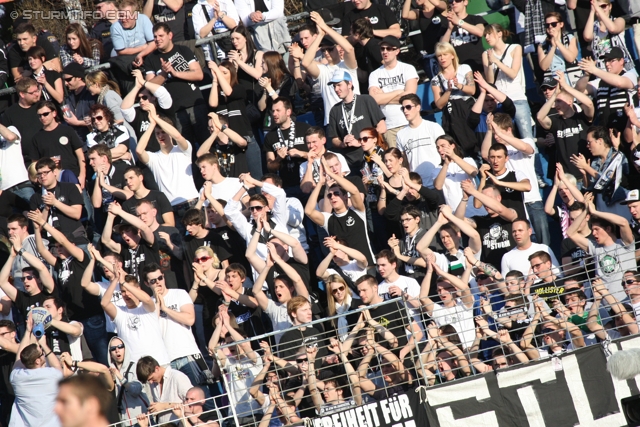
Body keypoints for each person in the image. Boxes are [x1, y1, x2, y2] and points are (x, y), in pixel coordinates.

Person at [28, 208, 110, 365]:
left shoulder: (80, 257)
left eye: (60, 246)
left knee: (102, 358)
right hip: (74, 318)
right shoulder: (59, 264)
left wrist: (44, 223)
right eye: (56, 246)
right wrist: (38, 229)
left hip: (91, 316)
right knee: (84, 359)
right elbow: (41, 250)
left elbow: (65, 241)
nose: (58, 248)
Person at [142, 264, 207, 387]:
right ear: (147, 284)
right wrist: (156, 302)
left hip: (187, 354)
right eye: (153, 281)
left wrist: (165, 309)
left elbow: (190, 319)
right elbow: (150, 330)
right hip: (165, 361)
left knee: (201, 395)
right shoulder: (147, 305)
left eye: (160, 278)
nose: (158, 283)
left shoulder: (179, 294)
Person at [144, 23, 208, 146]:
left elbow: (199, 74)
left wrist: (175, 73)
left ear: (170, 35)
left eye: (161, 35)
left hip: (195, 105)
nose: (157, 39)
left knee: (206, 145)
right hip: (174, 111)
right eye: (155, 36)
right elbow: (149, 86)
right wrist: (163, 73)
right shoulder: (150, 59)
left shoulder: (183, 50)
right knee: (185, 148)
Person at [135, 105, 200, 223]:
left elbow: (178, 136)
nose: (160, 136)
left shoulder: (183, 149)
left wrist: (156, 118)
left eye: (163, 132)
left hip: (191, 204)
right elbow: (139, 150)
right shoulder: (154, 158)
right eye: (158, 133)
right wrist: (152, 125)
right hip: (170, 210)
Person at [305, 157, 376, 266]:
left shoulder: (357, 211)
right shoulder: (328, 220)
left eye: (337, 194)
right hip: (344, 269)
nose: (332, 197)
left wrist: (330, 172)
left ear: (345, 196)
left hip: (366, 265)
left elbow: (354, 191)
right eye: (330, 195)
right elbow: (309, 211)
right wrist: (320, 183)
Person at [567, 192, 636, 300]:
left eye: (597, 229)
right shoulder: (595, 248)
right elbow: (570, 233)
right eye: (593, 229)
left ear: (608, 229)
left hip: (627, 302)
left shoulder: (625, 244)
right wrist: (586, 210)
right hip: (605, 306)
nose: (593, 233)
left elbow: (623, 222)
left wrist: (595, 212)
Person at [299, 12, 360, 126]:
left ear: (338, 48)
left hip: (356, 118)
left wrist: (324, 26)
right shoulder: (323, 70)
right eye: (323, 50)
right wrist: (320, 35)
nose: (326, 53)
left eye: (330, 49)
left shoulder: (347, 65)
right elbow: (306, 63)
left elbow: (350, 49)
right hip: (333, 123)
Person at [102, 270, 170, 366]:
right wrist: (116, 279)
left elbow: (146, 299)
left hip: (159, 363)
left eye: (129, 290)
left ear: (138, 289)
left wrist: (124, 283)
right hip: (134, 368)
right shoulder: (120, 312)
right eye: (123, 291)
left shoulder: (148, 306)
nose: (126, 294)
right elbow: (104, 303)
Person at [536, 71, 594, 180]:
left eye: (559, 101)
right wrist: (554, 95)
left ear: (570, 101)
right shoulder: (556, 122)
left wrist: (565, 86)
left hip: (586, 173)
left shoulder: (582, 118)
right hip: (567, 178)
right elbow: (540, 117)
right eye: (556, 102)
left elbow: (589, 104)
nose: (556, 105)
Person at [207, 61, 260, 179]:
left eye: (224, 73)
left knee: (255, 178)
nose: (220, 74)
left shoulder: (239, 88)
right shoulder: (217, 93)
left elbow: (229, 92)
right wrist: (215, 80)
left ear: (232, 74)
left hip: (246, 139)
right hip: (228, 144)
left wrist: (216, 69)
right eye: (217, 72)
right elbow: (212, 103)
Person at [327, 69, 386, 174]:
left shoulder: (366, 100)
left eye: (339, 85)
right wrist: (343, 143)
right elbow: (334, 139)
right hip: (350, 163)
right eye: (334, 86)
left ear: (349, 84)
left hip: (372, 158)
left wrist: (360, 141)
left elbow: (382, 127)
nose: (336, 89)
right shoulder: (334, 110)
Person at [482, 24, 532, 141]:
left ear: (499, 34)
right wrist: (490, 64)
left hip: (517, 98)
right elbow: (490, 81)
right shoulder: (486, 54)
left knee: (527, 138)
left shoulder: (515, 48)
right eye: (485, 35)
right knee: (504, 139)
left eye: (490, 34)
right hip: (500, 102)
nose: (487, 37)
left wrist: (496, 61)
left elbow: (513, 73)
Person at [368, 36, 419, 147]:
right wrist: (398, 92)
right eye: (382, 49)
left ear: (397, 51)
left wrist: (383, 97)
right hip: (389, 126)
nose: (385, 51)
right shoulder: (374, 74)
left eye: (389, 48)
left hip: (409, 122)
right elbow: (374, 100)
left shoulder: (408, 69)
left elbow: (410, 97)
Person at [11, 322, 64, 427]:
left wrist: (27, 331)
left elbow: (18, 359)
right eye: (42, 354)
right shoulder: (51, 375)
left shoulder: (16, 377)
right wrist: (44, 345)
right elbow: (58, 367)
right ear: (38, 361)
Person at [457, 180, 518, 268]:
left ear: (498, 198)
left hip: (512, 267)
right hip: (489, 271)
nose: (485, 202)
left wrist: (473, 191)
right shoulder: (480, 220)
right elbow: (458, 220)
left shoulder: (512, 212)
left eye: (488, 198)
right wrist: (465, 198)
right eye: (483, 199)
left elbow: (500, 210)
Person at [573, 126, 630, 218]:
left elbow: (608, 180)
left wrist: (586, 167)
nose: (587, 146)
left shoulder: (618, 156)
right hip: (602, 207)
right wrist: (584, 174)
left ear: (599, 141)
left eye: (589, 142)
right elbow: (590, 188)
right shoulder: (595, 162)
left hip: (619, 204)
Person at [576, 48, 638, 134]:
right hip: (606, 132)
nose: (607, 64)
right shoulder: (600, 81)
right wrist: (587, 74)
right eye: (605, 61)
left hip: (626, 130)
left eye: (611, 61)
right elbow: (579, 90)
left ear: (621, 61)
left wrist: (594, 69)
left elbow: (619, 82)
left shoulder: (630, 75)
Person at [431, 42, 477, 157]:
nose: (442, 58)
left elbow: (472, 90)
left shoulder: (464, 68)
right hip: (453, 117)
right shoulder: (436, 80)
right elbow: (439, 104)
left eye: (445, 54)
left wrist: (459, 85)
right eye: (439, 56)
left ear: (452, 55)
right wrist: (449, 90)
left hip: (468, 110)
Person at [418, 259, 475, 349]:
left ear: (455, 288)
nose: (442, 293)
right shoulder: (437, 310)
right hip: (448, 355)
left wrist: (441, 272)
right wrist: (429, 271)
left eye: (446, 288)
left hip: (469, 351)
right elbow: (422, 298)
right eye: (439, 290)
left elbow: (464, 288)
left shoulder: (464, 304)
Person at [101, 201, 161, 283]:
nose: (124, 235)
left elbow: (144, 227)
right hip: (133, 293)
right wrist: (110, 216)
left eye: (127, 230)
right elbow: (105, 240)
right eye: (122, 233)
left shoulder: (147, 244)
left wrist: (119, 211)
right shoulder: (124, 250)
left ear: (137, 230)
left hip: (151, 292)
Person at [29, 157, 87, 241]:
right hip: (52, 242)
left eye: (46, 172)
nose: (42, 176)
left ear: (54, 172)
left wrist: (55, 202)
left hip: (75, 235)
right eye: (39, 174)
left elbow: (77, 214)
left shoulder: (69, 187)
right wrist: (46, 208)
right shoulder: (35, 198)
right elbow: (38, 227)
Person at [395, 93, 445, 187]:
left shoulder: (433, 127)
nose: (405, 111)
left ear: (418, 107)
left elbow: (445, 152)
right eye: (403, 108)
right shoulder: (400, 134)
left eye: (408, 107)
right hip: (416, 186)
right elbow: (404, 161)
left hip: (437, 183)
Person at [30, 101, 86, 185]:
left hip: (73, 176)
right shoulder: (37, 138)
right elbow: (35, 164)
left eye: (45, 114)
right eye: (39, 115)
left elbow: (80, 154)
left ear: (54, 113)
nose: (42, 117)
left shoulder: (67, 130)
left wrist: (82, 175)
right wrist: (48, 162)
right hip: (52, 182)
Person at [263, 97, 311, 195]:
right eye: (273, 111)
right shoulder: (270, 136)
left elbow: (319, 154)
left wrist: (301, 154)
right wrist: (278, 159)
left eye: (278, 110)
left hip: (307, 183)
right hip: (286, 186)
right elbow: (270, 167)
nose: (274, 114)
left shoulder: (304, 128)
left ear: (288, 112)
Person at [120, 69, 173, 155]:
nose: (141, 101)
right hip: (149, 160)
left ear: (154, 98)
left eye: (144, 97)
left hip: (169, 154)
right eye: (139, 99)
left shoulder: (164, 109)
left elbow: (162, 92)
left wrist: (143, 82)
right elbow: (124, 108)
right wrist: (137, 87)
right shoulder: (138, 115)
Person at [432, 135, 482, 216]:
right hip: (455, 212)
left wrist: (454, 157)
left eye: (442, 146)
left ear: (452, 146)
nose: (440, 149)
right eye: (438, 147)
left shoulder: (467, 160)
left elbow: (473, 172)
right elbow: (438, 186)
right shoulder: (437, 169)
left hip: (474, 209)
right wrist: (446, 164)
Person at [136, 355, 193, 425]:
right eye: (148, 381)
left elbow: (193, 404)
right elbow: (160, 407)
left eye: (151, 378)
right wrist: (154, 409)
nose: (150, 382)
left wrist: (164, 406)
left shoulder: (178, 377)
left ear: (157, 368)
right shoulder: (153, 382)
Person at [583, 0, 633, 73]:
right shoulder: (593, 27)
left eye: (603, 6)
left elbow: (613, 29)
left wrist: (598, 9)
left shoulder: (618, 20)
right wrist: (592, 11)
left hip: (622, 68)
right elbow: (587, 37)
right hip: (602, 70)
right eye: (598, 7)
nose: (600, 9)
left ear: (610, 6)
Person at [1, 78, 42, 164]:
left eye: (37, 90)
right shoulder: (10, 113)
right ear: (22, 94)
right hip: (23, 160)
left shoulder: (42, 107)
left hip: (44, 156)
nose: (37, 94)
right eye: (32, 92)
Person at [401, 0, 445, 77]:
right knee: (436, 83)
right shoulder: (419, 13)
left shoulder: (440, 8)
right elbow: (405, 15)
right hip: (430, 55)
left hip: (444, 52)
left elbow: (438, 3)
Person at [438, 0, 486, 72]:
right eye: (451, 1)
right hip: (460, 69)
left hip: (479, 65)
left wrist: (459, 22)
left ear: (465, 2)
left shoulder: (475, 19)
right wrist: (449, 29)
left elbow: (480, 32)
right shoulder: (446, 24)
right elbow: (442, 46)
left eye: (457, 0)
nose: (454, 3)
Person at [257, 51, 298, 133]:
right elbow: (261, 107)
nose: (261, 65)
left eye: (263, 63)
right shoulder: (266, 80)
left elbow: (283, 103)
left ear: (271, 63)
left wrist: (269, 88)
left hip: (286, 124)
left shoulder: (287, 80)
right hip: (269, 125)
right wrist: (265, 91)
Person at [537, 12, 580, 85]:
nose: (550, 27)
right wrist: (553, 47)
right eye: (547, 25)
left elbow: (571, 58)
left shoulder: (570, 39)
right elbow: (544, 67)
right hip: (554, 81)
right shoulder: (542, 45)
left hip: (571, 78)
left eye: (553, 24)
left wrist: (557, 42)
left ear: (561, 24)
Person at [61, 62, 97, 141]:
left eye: (68, 79)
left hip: (92, 140)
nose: (66, 83)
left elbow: (99, 119)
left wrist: (77, 122)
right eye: (64, 80)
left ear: (79, 77)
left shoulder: (91, 95)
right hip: (77, 142)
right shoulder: (69, 97)